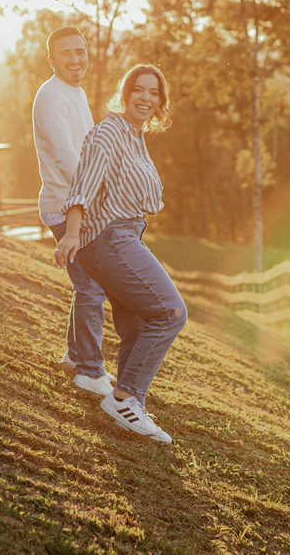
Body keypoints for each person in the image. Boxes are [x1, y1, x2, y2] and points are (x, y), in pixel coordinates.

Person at [56, 64, 187, 444]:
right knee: (171, 312)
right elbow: (81, 187)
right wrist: (71, 234)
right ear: (125, 94)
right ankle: (124, 399)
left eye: (153, 92)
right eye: (139, 90)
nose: (145, 98)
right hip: (109, 237)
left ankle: (130, 404)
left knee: (139, 323)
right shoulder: (109, 132)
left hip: (125, 234)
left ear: (160, 101)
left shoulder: (134, 136)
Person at [32, 26, 114, 397]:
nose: (75, 59)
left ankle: (75, 357)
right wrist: (98, 194)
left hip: (79, 203)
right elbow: (66, 156)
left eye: (80, 51)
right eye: (66, 53)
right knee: (91, 288)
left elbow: (89, 150)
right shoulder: (51, 97)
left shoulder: (74, 92)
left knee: (89, 286)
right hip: (66, 206)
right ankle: (89, 372)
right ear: (51, 60)